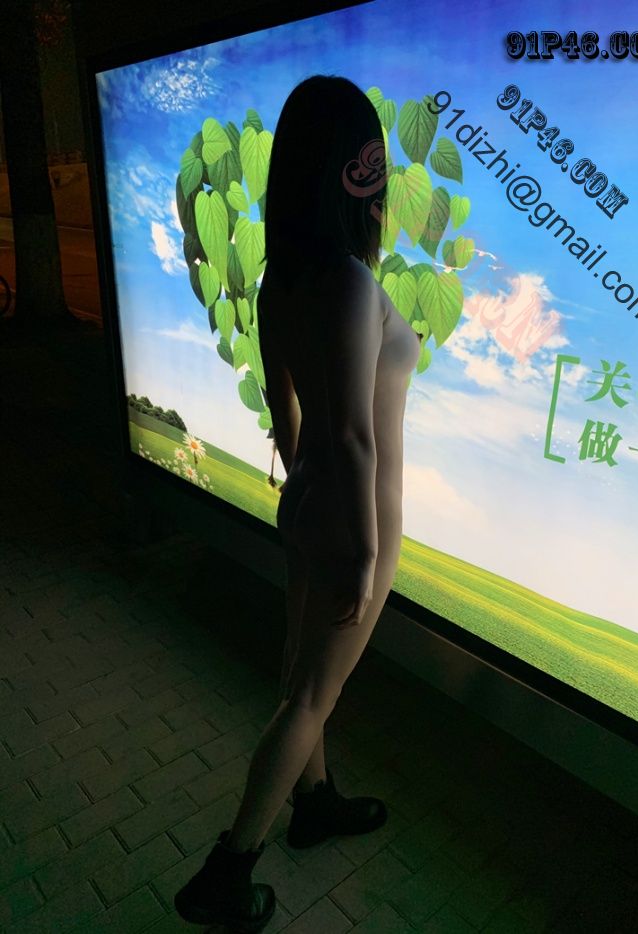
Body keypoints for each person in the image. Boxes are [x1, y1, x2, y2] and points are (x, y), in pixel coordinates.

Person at [174, 74, 421, 931]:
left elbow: (291, 418)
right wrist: (365, 550)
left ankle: (313, 805)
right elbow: (353, 436)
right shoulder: (349, 281)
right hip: (357, 516)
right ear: (352, 171)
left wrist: (310, 498)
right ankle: (227, 872)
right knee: (313, 695)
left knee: (298, 675)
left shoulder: (283, 279)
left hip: (309, 499)